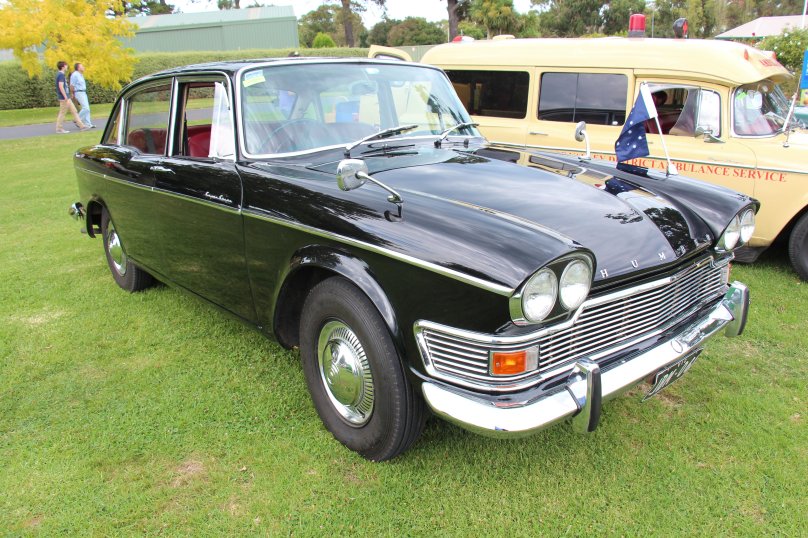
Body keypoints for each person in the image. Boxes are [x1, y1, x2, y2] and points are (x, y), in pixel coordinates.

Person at [55, 61, 87, 134]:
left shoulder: (61, 75)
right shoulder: (60, 75)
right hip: (64, 98)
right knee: (62, 112)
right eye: (66, 66)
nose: (67, 67)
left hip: (67, 97)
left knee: (74, 111)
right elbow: (61, 86)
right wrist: (65, 96)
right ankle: (59, 128)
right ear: (63, 67)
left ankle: (82, 126)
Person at [69, 62, 94, 129]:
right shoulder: (75, 75)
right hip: (79, 92)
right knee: (86, 108)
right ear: (78, 68)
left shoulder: (81, 75)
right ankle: (77, 120)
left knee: (87, 108)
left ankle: (88, 123)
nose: (83, 67)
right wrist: (72, 93)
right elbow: (72, 85)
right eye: (82, 66)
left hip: (83, 92)